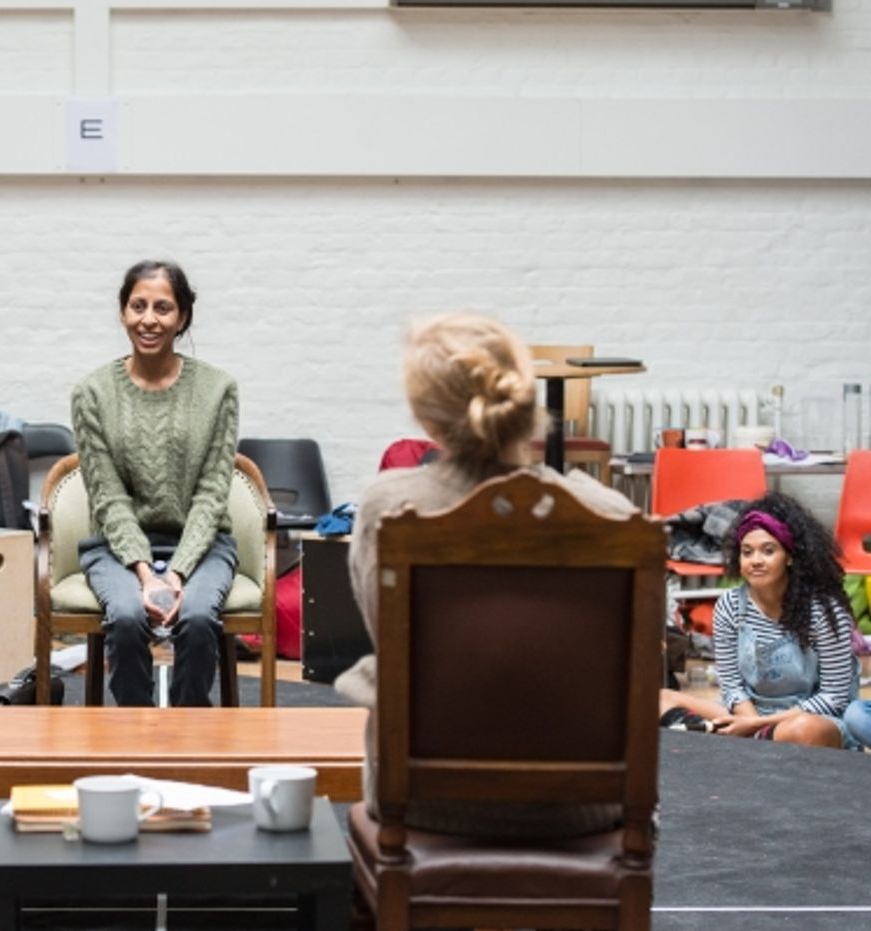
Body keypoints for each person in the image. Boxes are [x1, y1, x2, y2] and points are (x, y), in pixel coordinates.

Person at [334, 312, 637, 835]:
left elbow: (385, 633)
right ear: (526, 401)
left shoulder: (389, 507)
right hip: (580, 809)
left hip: (426, 802)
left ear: (425, 418)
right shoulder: (612, 515)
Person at [71, 259, 239, 707]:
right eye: (137, 305)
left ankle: (189, 731)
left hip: (202, 545)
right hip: (115, 546)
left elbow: (212, 491)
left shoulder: (219, 390)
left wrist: (179, 570)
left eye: (163, 308)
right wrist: (146, 574)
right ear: (123, 311)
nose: (149, 319)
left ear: (182, 316)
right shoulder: (92, 393)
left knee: (199, 616)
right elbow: (108, 497)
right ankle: (133, 734)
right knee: (126, 617)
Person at [659, 493, 858, 749]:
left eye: (768, 551)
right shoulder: (729, 606)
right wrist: (751, 721)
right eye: (747, 552)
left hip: (811, 720)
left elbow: (834, 697)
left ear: (790, 556)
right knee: (661, 699)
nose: (756, 561)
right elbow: (731, 686)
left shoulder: (825, 610)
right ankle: (757, 744)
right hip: (750, 714)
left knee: (805, 731)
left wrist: (754, 727)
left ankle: (727, 741)